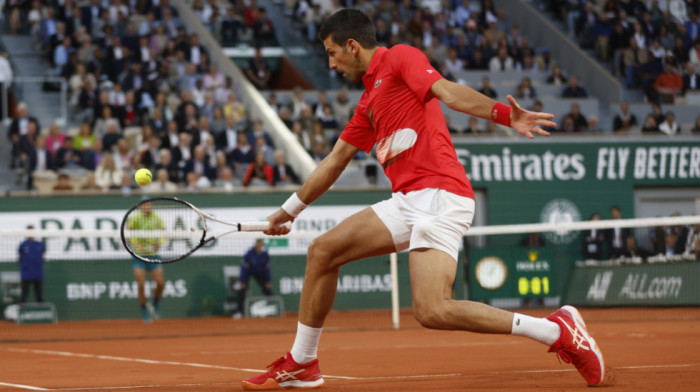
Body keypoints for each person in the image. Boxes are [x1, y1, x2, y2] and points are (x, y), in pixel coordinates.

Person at [242, 9, 604, 390]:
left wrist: (503, 115)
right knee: (322, 252)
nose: (331, 64)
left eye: (333, 53)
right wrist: (288, 211)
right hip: (407, 201)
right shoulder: (367, 104)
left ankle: (555, 331)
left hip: (442, 196)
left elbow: (447, 92)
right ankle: (303, 362)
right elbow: (334, 162)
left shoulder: (400, 57)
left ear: (352, 46)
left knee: (432, 311)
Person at [125, 198, 166, 323]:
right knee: (141, 283)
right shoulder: (135, 218)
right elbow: (129, 236)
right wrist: (138, 246)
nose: (146, 205)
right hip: (138, 256)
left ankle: (155, 304)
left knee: (160, 283)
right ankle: (145, 310)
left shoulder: (156, 218)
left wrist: (159, 243)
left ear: (151, 205)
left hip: (153, 255)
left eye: (148, 203)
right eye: (144, 204)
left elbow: (164, 233)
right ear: (140, 205)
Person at [233, 238, 274, 319]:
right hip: (249, 272)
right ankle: (239, 312)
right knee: (242, 290)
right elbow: (244, 268)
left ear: (262, 244)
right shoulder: (249, 253)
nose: (258, 245)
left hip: (260, 273)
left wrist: (268, 281)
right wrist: (242, 281)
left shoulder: (265, 254)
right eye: (257, 243)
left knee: (267, 288)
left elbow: (267, 269)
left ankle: (273, 308)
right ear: (255, 244)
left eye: (260, 243)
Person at [18, 225, 46, 303]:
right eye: (29, 231)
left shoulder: (39, 244)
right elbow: (20, 257)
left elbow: (42, 255)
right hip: (26, 274)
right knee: (24, 295)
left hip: (37, 273)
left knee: (39, 295)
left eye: (32, 231)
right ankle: (23, 311)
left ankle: (41, 312)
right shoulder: (23, 245)